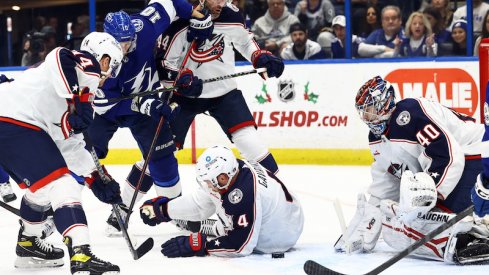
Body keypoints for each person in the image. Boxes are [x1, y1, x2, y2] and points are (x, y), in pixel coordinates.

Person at [0, 32, 124, 274]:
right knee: (62, 184)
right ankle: (82, 254)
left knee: (42, 190)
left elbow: (71, 147)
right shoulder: (83, 67)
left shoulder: (73, 97)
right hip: (12, 120)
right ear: (105, 59)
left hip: (14, 126)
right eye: (113, 66)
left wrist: (96, 178)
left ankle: (29, 243)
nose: (109, 77)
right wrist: (81, 97)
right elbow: (59, 55)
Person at [89, 0, 214, 235]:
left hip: (145, 107)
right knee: (84, 156)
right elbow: (105, 105)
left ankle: (176, 212)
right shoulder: (97, 57)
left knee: (162, 157)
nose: (126, 46)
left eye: (129, 40)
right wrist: (146, 104)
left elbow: (168, 3)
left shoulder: (143, 27)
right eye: (121, 43)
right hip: (109, 111)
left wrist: (193, 13)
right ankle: (49, 213)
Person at [334, 75, 489, 264]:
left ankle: (469, 238)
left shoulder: (409, 113)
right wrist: (371, 213)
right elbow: (388, 179)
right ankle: (466, 234)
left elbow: (448, 156)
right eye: (364, 112)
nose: (367, 117)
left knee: (417, 221)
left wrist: (431, 198)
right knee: (394, 220)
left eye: (370, 109)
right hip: (459, 169)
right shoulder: (376, 139)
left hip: (476, 156)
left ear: (385, 102)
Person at [156, 0, 283, 176]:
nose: (222, 4)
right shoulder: (178, 20)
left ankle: (278, 189)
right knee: (160, 153)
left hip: (224, 92)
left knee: (249, 139)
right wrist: (178, 80)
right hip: (183, 97)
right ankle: (125, 201)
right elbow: (163, 64)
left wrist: (258, 57)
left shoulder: (230, 14)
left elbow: (245, 41)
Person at [139, 145, 304, 257]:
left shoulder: (242, 195)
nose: (208, 185)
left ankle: (220, 228)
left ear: (223, 177)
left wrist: (200, 245)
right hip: (288, 213)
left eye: (210, 181)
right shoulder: (235, 170)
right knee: (226, 208)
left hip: (279, 236)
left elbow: (241, 246)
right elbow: (200, 204)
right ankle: (219, 227)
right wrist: (165, 209)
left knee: (233, 223)